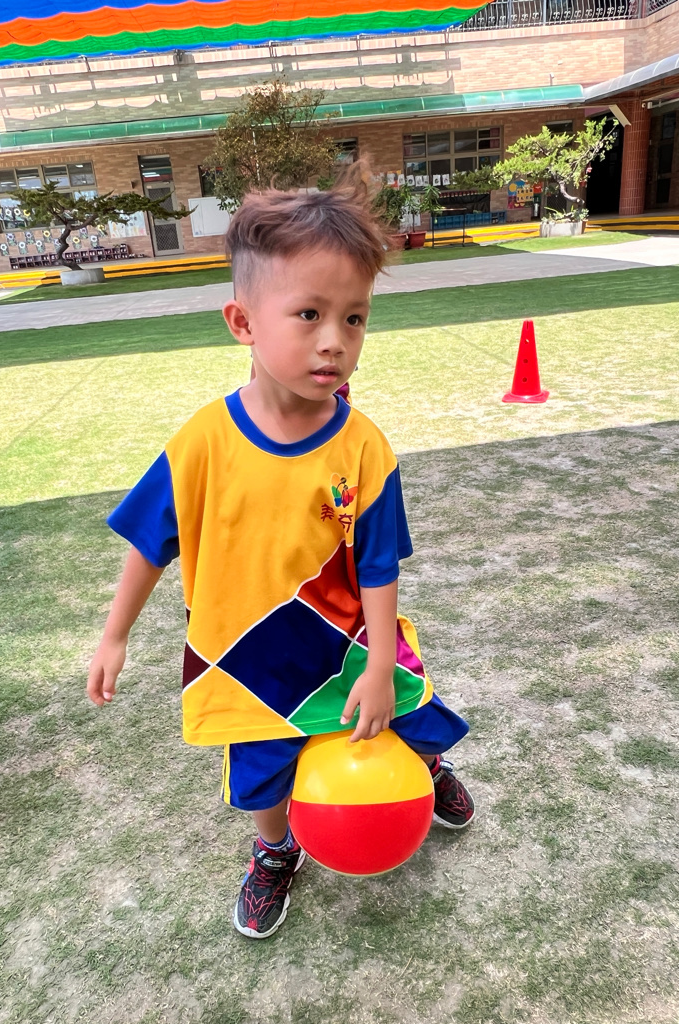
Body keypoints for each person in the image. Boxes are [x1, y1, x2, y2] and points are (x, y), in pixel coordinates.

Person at [87, 169, 474, 939]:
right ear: (243, 322)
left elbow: (379, 564)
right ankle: (274, 854)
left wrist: (377, 664)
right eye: (309, 314)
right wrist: (115, 634)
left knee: (409, 715)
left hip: (350, 638)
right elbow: (150, 544)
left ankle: (426, 772)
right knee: (262, 773)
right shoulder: (201, 444)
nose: (335, 340)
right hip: (244, 654)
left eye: (355, 318)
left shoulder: (364, 447)